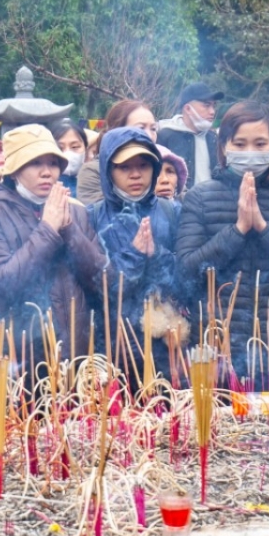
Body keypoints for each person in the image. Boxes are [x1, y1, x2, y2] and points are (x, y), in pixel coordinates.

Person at [175, 102, 269, 380]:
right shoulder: (201, 198)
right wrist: (239, 229)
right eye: (240, 144)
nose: (250, 152)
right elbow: (186, 271)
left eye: (260, 143)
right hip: (216, 345)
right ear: (224, 147)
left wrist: (265, 228)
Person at [0, 125, 109, 363]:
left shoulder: (75, 212)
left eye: (53, 163)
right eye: (35, 163)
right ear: (14, 171)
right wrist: (47, 230)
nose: (47, 172)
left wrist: (69, 229)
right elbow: (3, 286)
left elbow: (102, 281)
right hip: (22, 356)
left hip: (78, 349)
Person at [88, 127, 180, 374]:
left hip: (166, 347)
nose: (136, 174)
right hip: (111, 346)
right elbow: (95, 286)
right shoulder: (92, 217)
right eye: (124, 167)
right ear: (108, 170)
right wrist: (134, 255)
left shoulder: (172, 212)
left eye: (143, 165)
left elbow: (185, 280)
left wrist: (156, 255)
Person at [79, 100, 160, 205]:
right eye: (141, 128)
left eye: (153, 129)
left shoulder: (162, 164)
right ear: (117, 130)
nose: (149, 135)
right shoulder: (92, 170)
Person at [158, 82, 224, 189]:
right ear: (188, 109)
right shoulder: (165, 136)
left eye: (214, 106)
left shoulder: (214, 138)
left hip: (212, 199)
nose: (212, 111)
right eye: (206, 105)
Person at [49, 119, 89, 198]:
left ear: (86, 149)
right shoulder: (41, 186)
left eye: (75, 147)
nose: (68, 154)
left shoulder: (95, 183)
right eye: (60, 148)